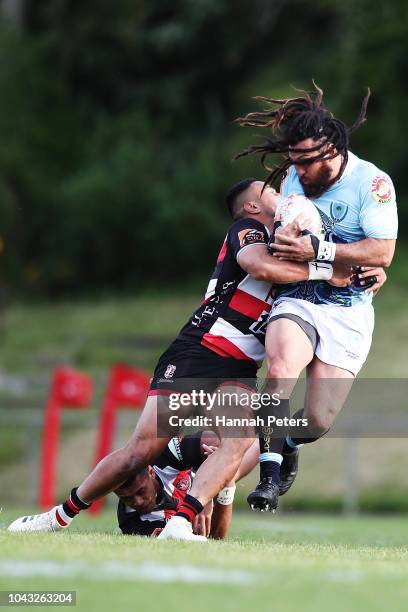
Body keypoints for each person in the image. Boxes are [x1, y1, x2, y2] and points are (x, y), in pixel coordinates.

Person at [7, 179, 355, 541]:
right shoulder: (247, 229)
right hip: (201, 351)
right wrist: (328, 271)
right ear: (252, 206)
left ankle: (179, 522)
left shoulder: (289, 242)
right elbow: (260, 268)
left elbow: (335, 270)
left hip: (239, 366)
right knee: (140, 452)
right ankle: (57, 517)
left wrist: (356, 272)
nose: (281, 197)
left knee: (236, 441)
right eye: (270, 192)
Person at [236, 84, 398, 510]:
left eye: (306, 162)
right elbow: (285, 246)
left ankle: (288, 443)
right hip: (300, 299)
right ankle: (268, 479)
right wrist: (309, 254)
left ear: (332, 152)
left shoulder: (373, 183)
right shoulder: (294, 178)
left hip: (348, 312)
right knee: (281, 369)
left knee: (318, 421)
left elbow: (382, 252)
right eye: (294, 162)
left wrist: (322, 251)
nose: (298, 172)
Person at [116, 432, 259, 539]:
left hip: (206, 472)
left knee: (235, 453)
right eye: (128, 499)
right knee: (230, 476)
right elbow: (215, 536)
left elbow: (218, 441)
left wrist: (205, 495)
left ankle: (273, 450)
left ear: (150, 472)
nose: (137, 502)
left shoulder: (165, 456)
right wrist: (226, 484)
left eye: (141, 491)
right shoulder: (132, 520)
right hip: (220, 487)